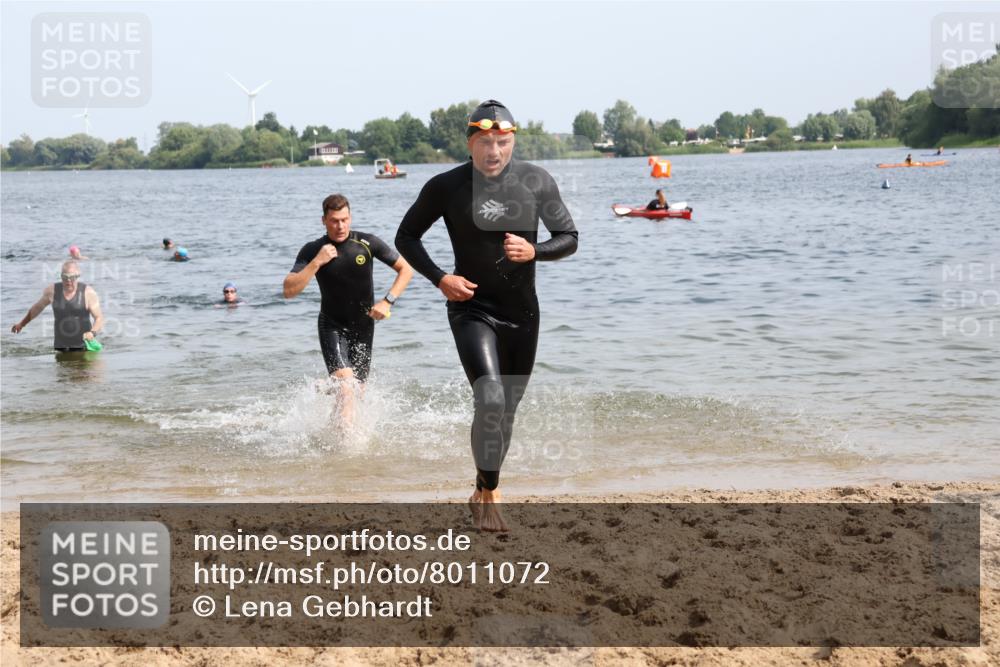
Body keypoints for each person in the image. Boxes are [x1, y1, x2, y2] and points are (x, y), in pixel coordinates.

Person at [395, 100, 578, 531]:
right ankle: (493, 496)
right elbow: (407, 236)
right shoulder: (447, 186)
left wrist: (536, 251)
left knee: (505, 410)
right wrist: (441, 279)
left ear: (512, 141)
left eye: (502, 141)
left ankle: (481, 486)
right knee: (491, 398)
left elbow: (568, 237)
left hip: (522, 314)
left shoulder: (536, 180)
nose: (494, 150)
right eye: (485, 142)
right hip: (471, 308)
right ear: (470, 143)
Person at [283, 194, 413, 422]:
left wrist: (387, 301)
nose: (340, 226)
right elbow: (289, 290)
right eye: (334, 220)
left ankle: (331, 432)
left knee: (355, 393)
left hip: (364, 327)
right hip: (332, 325)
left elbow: (406, 270)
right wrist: (317, 262)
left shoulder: (367, 243)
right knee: (346, 387)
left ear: (350, 218)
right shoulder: (313, 249)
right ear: (323, 220)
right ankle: (347, 448)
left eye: (344, 219)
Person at [10, 260, 103, 354]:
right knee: (62, 368)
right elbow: (37, 308)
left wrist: (92, 332)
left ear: (78, 275)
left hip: (85, 347)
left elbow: (99, 318)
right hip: (61, 347)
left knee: (88, 368)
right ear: (61, 276)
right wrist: (22, 324)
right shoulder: (52, 291)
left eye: (72, 277)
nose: (68, 280)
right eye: (65, 277)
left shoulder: (88, 292)